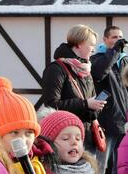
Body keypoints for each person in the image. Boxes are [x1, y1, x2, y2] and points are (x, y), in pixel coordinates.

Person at [41, 24, 106, 155]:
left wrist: (95, 107)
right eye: (91, 44)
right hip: (66, 140)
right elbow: (51, 104)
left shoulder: (86, 69)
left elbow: (90, 101)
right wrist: (86, 104)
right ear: (79, 44)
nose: (93, 49)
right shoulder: (56, 69)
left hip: (87, 137)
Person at [91, 25, 128, 174]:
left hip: (125, 119)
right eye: (114, 37)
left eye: (121, 37)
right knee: (100, 165)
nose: (118, 40)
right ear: (105, 39)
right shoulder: (98, 58)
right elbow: (99, 73)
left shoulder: (123, 61)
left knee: (122, 166)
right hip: (107, 120)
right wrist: (114, 51)